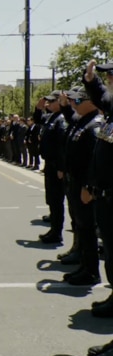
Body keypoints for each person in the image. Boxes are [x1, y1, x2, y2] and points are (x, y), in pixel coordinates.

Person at [61, 87, 103, 286]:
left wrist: (88, 185)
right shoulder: (81, 121)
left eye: (76, 101)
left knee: (87, 228)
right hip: (75, 182)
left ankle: (91, 271)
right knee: (81, 227)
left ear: (90, 102)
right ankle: (85, 266)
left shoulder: (94, 124)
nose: (73, 104)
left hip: (84, 186)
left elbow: (94, 159)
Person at [83, 60, 113, 317]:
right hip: (106, 197)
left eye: (111, 77)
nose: (109, 82)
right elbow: (103, 97)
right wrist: (92, 81)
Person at [34, 90, 66, 244]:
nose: (48, 103)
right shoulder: (51, 117)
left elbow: (61, 145)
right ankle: (54, 229)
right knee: (52, 199)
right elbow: (38, 119)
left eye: (52, 101)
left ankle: (57, 232)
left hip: (56, 165)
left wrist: (61, 167)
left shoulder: (62, 119)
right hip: (49, 164)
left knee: (57, 199)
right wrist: (38, 108)